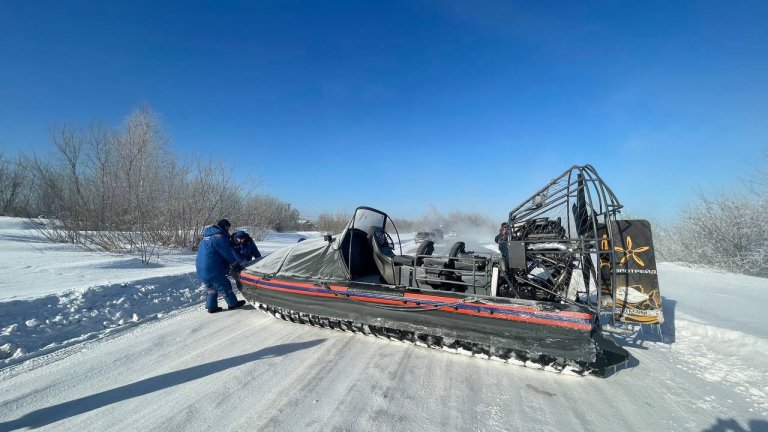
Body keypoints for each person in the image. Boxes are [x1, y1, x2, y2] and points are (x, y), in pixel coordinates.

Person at [195, 219, 246, 313]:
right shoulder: (219, 237)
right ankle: (233, 304)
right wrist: (235, 265)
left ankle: (212, 307)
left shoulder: (206, 236)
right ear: (224, 227)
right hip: (212, 267)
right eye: (227, 227)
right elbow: (227, 253)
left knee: (211, 288)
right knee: (224, 285)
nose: (228, 229)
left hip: (200, 267)